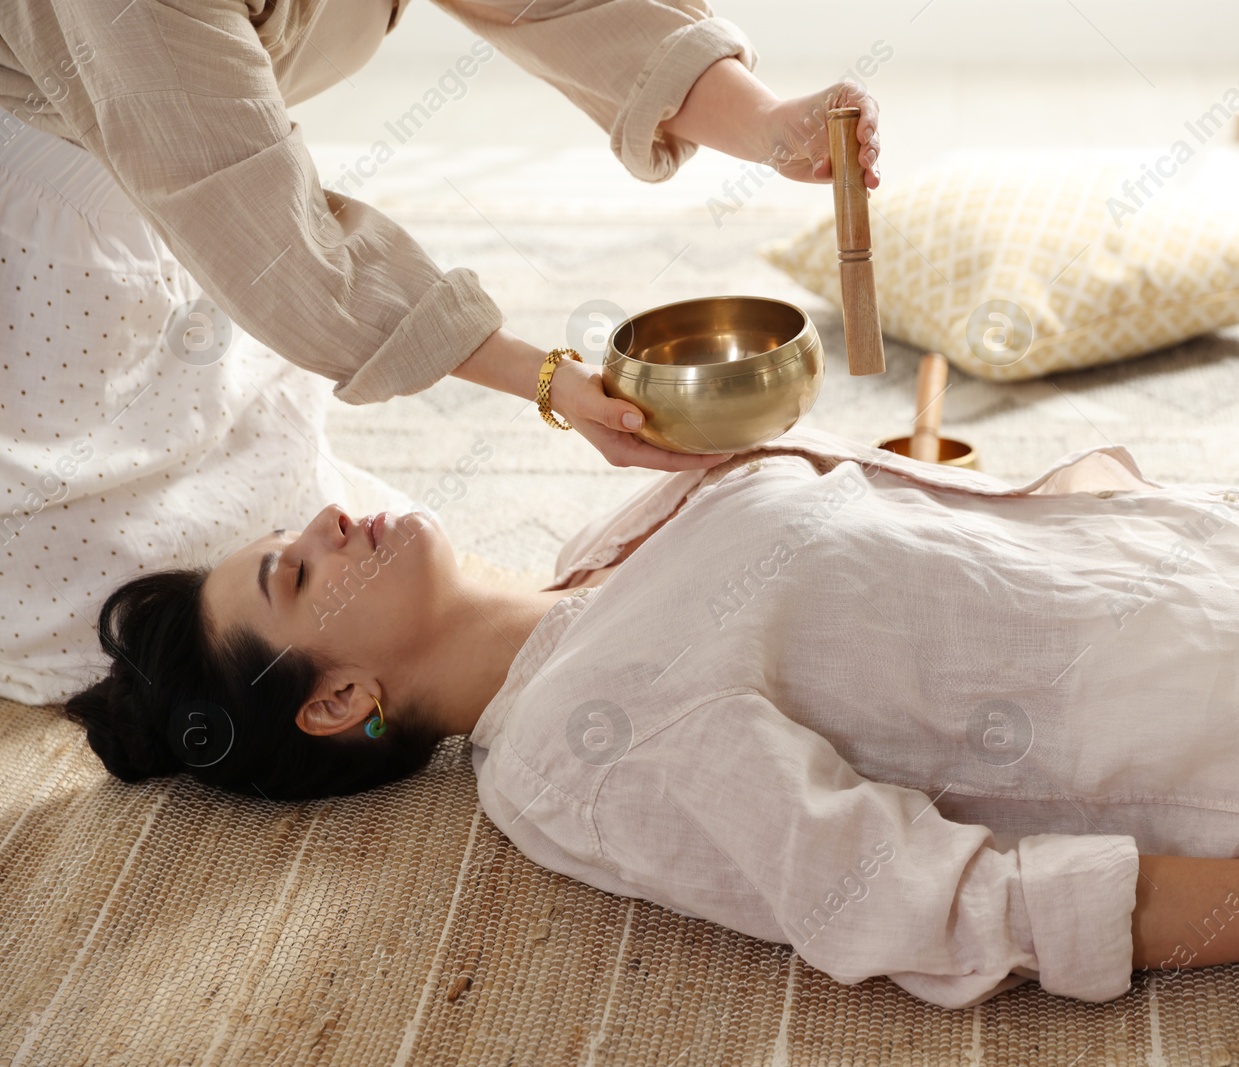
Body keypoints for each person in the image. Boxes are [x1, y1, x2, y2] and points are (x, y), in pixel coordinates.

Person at [58, 424, 1239, 1010]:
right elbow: (931, 903)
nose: (330, 514)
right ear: (337, 699)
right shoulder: (573, 756)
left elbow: (948, 584)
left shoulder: (617, 543)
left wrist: (1089, 500)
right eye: (293, 566)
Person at [0, 0, 881, 704]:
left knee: (259, 513)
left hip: (200, 203)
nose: (331, 536)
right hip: (56, 238)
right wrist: (549, 381)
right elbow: (273, 239)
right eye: (305, 566)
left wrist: (770, 126)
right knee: (115, 606)